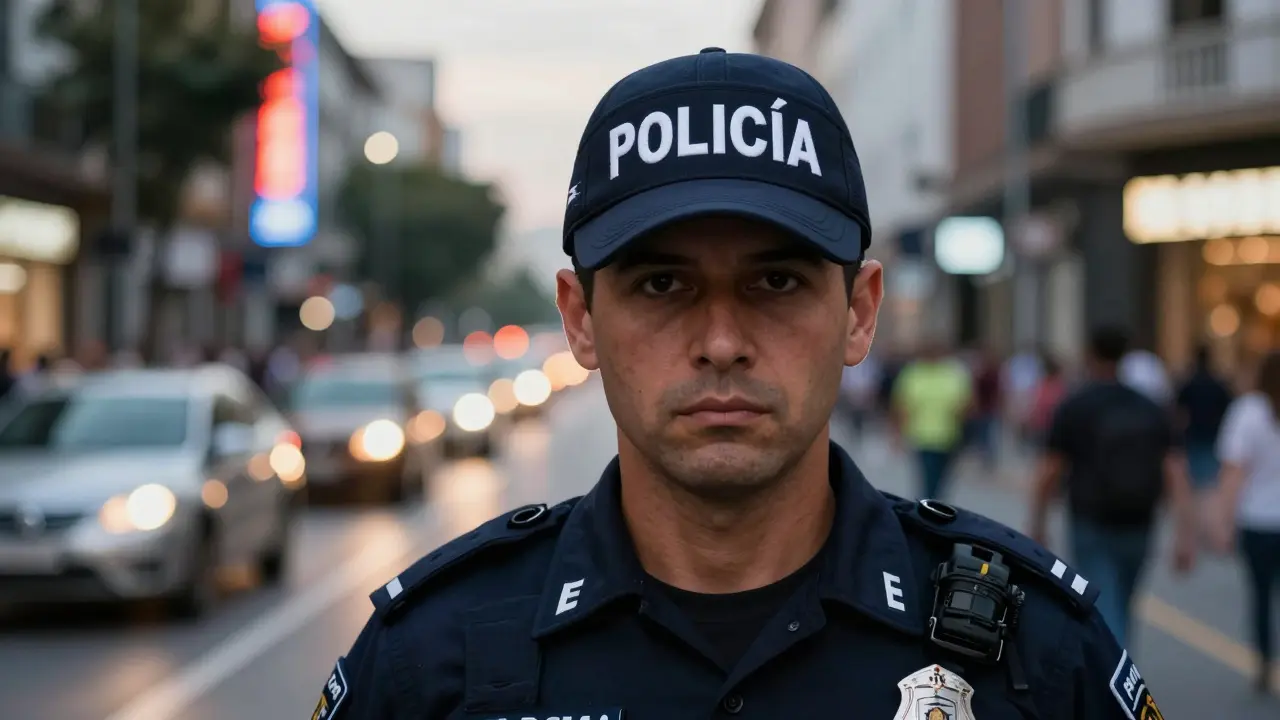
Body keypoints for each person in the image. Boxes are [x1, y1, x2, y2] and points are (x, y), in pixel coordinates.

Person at [312, 49, 1165, 720]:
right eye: (661, 285)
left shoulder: (1039, 652)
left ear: (860, 311)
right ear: (580, 319)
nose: (721, 343)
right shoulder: (428, 660)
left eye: (777, 282)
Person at [1028, 325, 1195, 648]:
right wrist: (1185, 534)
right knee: (1125, 602)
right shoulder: (1151, 407)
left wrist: (1038, 520)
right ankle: (1122, 676)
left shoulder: (1075, 405)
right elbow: (1176, 473)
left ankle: (1114, 678)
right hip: (1140, 518)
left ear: (1090, 354)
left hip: (1090, 518)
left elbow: (1050, 470)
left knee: (1103, 602)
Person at [1210, 350, 1280, 694]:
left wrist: (1224, 522)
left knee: (1261, 596)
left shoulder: (1249, 412)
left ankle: (1265, 662)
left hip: (1259, 522)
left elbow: (1233, 474)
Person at [891, 341, 972, 500]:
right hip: (923, 437)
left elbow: (968, 401)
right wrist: (897, 432)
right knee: (929, 480)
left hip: (949, 436)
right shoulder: (914, 373)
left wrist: (961, 411)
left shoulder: (954, 372)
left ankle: (934, 506)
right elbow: (901, 404)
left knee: (943, 479)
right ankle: (929, 510)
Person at [1174, 346, 1233, 494]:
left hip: (1195, 433)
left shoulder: (1189, 383)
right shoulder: (1218, 384)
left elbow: (1179, 411)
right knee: (1211, 480)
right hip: (1213, 434)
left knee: (1196, 479)